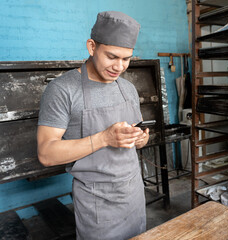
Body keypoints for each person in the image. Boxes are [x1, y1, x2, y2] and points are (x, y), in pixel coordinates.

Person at [37, 11, 148, 240]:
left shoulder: (127, 89)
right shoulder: (62, 90)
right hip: (98, 203)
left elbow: (135, 135)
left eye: (126, 59)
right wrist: (104, 138)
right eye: (112, 56)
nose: (119, 67)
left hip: (134, 195)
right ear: (91, 47)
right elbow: (46, 154)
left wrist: (140, 139)